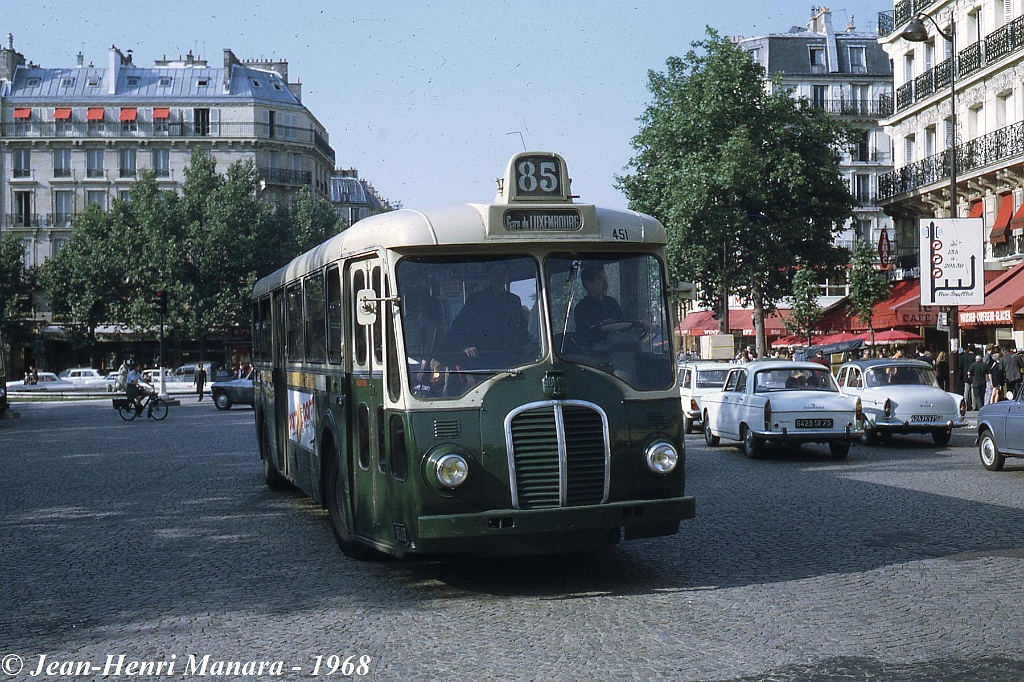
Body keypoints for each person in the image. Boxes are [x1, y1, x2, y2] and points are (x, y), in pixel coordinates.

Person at [446, 261, 531, 370]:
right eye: (495, 272)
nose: (499, 277)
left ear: (507, 275)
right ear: (489, 276)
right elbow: (457, 326)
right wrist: (465, 347)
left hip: (509, 359)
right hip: (482, 359)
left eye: (503, 273)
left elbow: (522, 328)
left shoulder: (514, 300)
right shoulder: (476, 299)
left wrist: (528, 343)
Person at [574, 265, 625, 347]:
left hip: (617, 348)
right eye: (600, 280)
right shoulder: (583, 307)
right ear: (588, 284)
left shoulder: (612, 303)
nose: (606, 284)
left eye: (606, 279)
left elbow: (623, 323)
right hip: (594, 353)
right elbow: (597, 329)